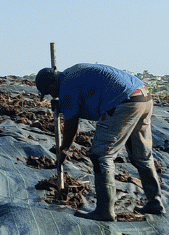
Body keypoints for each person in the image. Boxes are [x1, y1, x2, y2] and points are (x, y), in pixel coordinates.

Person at [35, 63, 162, 220]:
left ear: (53, 83)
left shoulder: (67, 87)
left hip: (123, 102)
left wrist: (64, 149)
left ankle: (105, 211)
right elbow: (89, 104)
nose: (52, 96)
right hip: (143, 97)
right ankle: (155, 203)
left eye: (49, 92)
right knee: (141, 155)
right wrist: (62, 104)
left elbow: (71, 125)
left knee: (101, 156)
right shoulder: (72, 75)